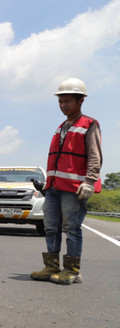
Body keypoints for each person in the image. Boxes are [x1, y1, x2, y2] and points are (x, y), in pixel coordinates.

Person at [31, 77, 102, 285]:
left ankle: (72, 270)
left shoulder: (89, 124)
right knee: (51, 227)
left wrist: (89, 181)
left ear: (81, 101)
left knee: (71, 228)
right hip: (53, 188)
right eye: (60, 102)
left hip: (73, 188)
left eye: (67, 101)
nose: (63, 106)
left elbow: (94, 155)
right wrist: (47, 183)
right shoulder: (60, 127)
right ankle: (51, 267)